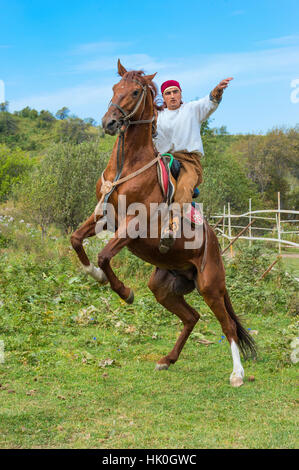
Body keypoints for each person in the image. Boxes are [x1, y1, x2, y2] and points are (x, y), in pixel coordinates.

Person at [154, 76, 233, 253]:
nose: (172, 96)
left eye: (175, 92)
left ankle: (171, 229)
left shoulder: (192, 109)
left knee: (183, 187)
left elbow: (210, 103)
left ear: (181, 94)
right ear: (163, 97)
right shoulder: (158, 117)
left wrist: (218, 90)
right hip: (163, 160)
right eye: (168, 93)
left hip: (188, 161)